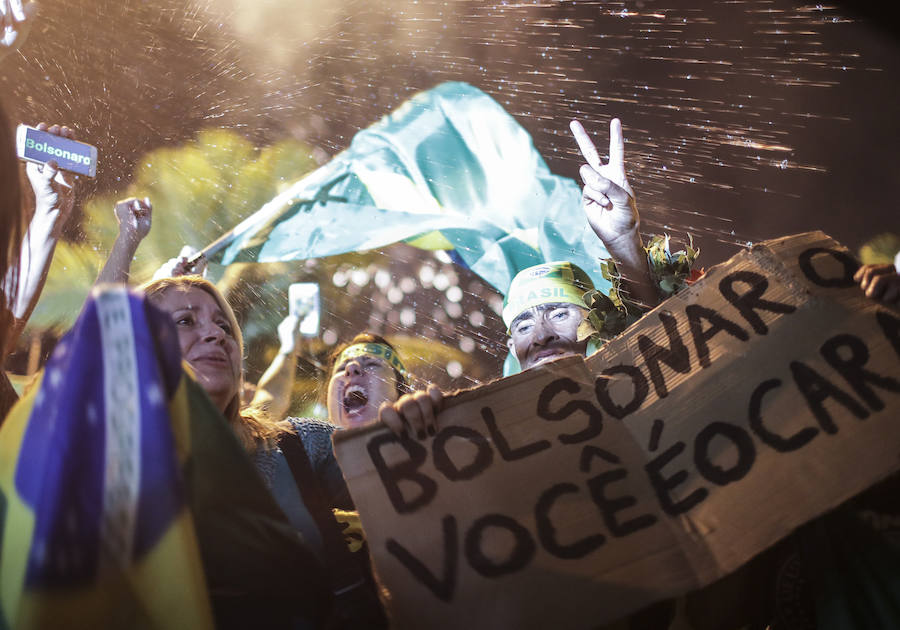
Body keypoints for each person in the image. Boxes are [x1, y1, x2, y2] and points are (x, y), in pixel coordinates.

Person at [141, 275, 385, 628]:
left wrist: (421, 425)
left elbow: (409, 480)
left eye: (224, 325)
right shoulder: (118, 476)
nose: (217, 334)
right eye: (185, 321)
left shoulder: (299, 446)